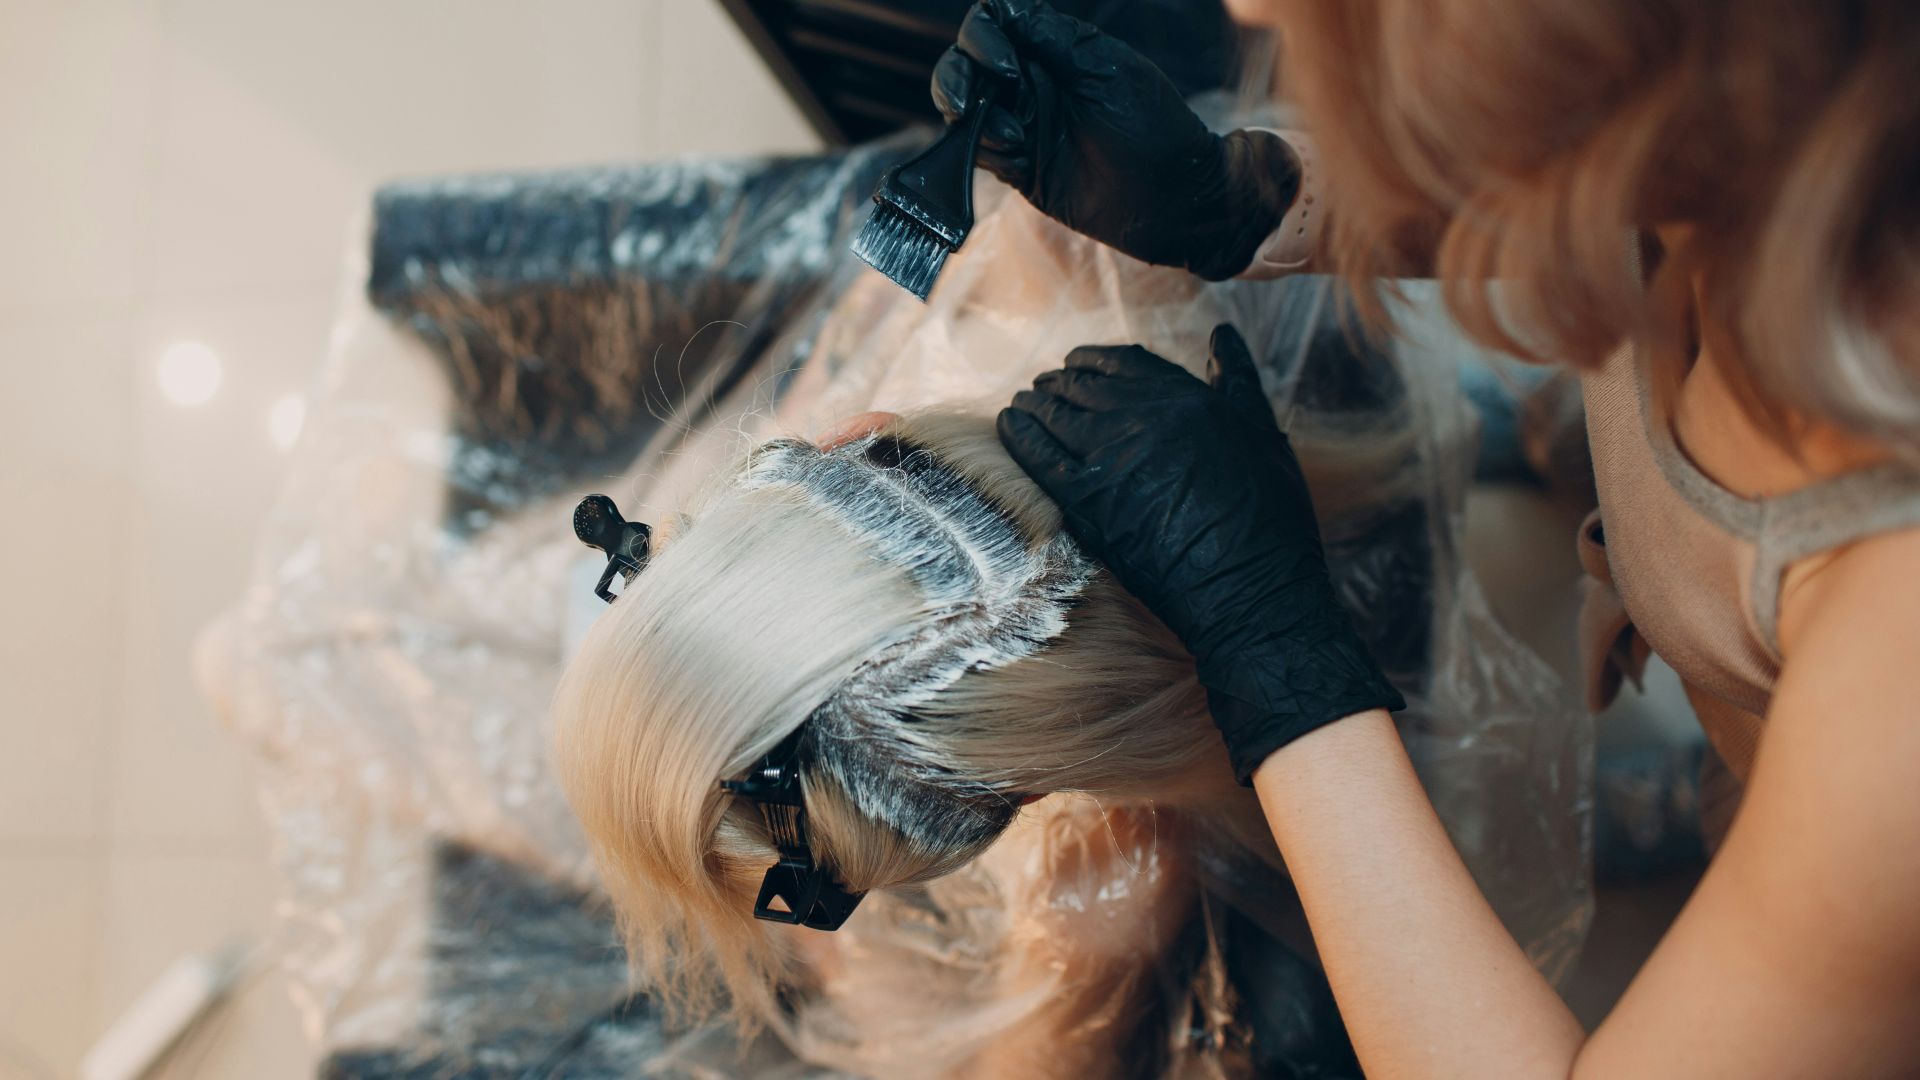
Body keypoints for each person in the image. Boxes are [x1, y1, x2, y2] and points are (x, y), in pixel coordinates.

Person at [936, 0, 1920, 1073]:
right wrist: (1240, 201)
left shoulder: (1891, 699)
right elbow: (1624, 181)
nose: (1250, 9)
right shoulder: (1810, 108)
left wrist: (1275, 659)